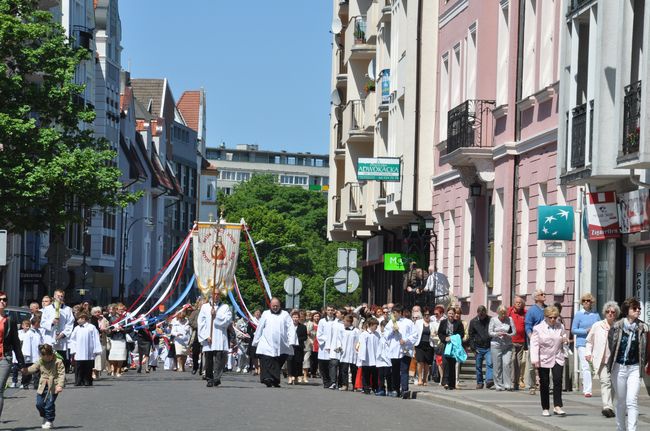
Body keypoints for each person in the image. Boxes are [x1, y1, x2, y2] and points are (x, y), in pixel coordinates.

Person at [607, 297, 649, 431]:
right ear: (627, 310)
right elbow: (611, 346)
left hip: (635, 367)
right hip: (618, 367)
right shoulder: (616, 326)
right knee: (621, 401)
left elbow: (646, 348)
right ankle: (621, 428)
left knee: (632, 401)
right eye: (634, 308)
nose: (638, 311)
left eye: (639, 309)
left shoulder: (643, 327)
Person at [530, 306, 568, 417]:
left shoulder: (560, 326)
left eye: (555, 317)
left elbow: (563, 336)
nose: (553, 319)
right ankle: (545, 407)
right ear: (545, 317)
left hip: (557, 356)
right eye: (550, 317)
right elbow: (534, 344)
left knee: (557, 380)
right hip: (544, 358)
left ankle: (557, 406)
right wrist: (535, 360)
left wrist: (565, 341)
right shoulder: (538, 328)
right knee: (545, 383)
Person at [251, 298, 296, 388]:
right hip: (266, 342)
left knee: (278, 361)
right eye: (273, 306)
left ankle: (275, 380)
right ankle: (267, 378)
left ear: (280, 306)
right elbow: (260, 327)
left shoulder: (285, 314)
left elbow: (291, 327)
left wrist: (292, 340)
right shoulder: (265, 313)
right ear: (270, 306)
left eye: (277, 306)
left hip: (281, 343)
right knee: (266, 360)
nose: (275, 307)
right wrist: (256, 341)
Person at [585, 300, 619, 418]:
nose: (610, 314)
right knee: (605, 382)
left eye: (613, 312)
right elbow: (589, 341)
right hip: (601, 360)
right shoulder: (597, 325)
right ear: (604, 313)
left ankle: (609, 405)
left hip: (614, 360)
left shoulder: (618, 327)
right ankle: (607, 407)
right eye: (608, 311)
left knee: (613, 384)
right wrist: (588, 353)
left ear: (616, 314)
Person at [22, 344, 64, 430]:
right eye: (44, 357)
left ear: (52, 354)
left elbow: (61, 374)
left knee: (49, 404)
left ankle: (49, 420)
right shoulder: (40, 361)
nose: (47, 359)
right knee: (39, 404)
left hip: (53, 386)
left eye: (49, 356)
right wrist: (26, 370)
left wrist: (59, 385)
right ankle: (45, 416)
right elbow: (34, 367)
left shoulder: (58, 361)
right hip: (42, 385)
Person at [0, 290, 26, 420]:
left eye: (4, 299)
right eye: (0, 299)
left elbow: (16, 343)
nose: (2, 302)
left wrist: (22, 364)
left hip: (5, 357)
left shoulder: (10, 320)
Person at [198, 294, 232, 388]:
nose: (216, 296)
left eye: (218, 294)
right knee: (208, 360)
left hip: (220, 337)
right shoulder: (205, 307)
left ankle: (217, 377)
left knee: (219, 359)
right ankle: (209, 378)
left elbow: (228, 320)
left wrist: (216, 316)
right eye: (214, 294)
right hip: (209, 337)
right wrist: (205, 336)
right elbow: (201, 323)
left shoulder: (225, 307)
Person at [385, 304, 417, 398]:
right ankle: (395, 389)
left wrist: (406, 340)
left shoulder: (408, 322)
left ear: (399, 313)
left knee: (404, 370)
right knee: (395, 370)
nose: (393, 314)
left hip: (405, 349)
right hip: (394, 350)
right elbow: (385, 335)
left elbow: (415, 334)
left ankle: (404, 390)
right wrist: (392, 331)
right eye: (392, 313)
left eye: (394, 312)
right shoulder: (391, 322)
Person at [572, 293, 601, 398]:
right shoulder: (579, 314)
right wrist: (585, 330)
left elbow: (600, 327)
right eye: (584, 301)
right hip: (582, 343)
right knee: (585, 366)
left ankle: (586, 382)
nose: (586, 302)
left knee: (593, 366)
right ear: (582, 303)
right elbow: (573, 329)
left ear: (591, 302)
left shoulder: (596, 315)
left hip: (593, 344)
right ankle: (587, 391)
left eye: (588, 301)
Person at [40, 290, 74, 374]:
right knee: (48, 359)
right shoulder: (47, 309)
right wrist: (51, 323)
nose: (60, 297)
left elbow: (70, 324)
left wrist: (62, 334)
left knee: (60, 361)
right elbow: (43, 323)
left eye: (61, 296)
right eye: (58, 296)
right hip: (49, 337)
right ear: (54, 297)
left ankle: (59, 378)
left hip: (61, 340)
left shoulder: (68, 309)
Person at [69, 312, 101, 386]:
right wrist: (73, 349)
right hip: (79, 350)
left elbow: (96, 338)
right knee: (79, 367)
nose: (77, 321)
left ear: (84, 319)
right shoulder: (76, 328)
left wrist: (96, 349)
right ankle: (78, 381)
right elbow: (72, 339)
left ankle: (87, 381)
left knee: (88, 367)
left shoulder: (91, 327)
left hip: (89, 351)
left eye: (79, 319)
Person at [436, 306, 464, 390]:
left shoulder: (458, 323)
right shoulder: (443, 322)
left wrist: (454, 338)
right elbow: (440, 333)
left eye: (452, 313)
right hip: (446, 344)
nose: (451, 315)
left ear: (454, 314)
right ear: (447, 314)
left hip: (454, 345)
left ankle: (452, 383)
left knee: (452, 363)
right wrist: (445, 338)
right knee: (445, 363)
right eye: (449, 313)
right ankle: (446, 382)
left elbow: (461, 334)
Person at [525, 289, 547, 395]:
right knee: (532, 365)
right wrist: (531, 337)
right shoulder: (532, 311)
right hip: (534, 341)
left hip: (546, 341)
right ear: (536, 298)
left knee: (545, 364)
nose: (544, 295)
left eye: (544, 294)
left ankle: (544, 385)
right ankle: (532, 386)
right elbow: (528, 325)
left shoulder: (547, 309)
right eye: (541, 294)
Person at [489, 305, 516, 391]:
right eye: (501, 314)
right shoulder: (493, 320)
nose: (503, 316)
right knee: (497, 366)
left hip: (507, 345)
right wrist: (497, 334)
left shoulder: (510, 319)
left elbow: (514, 332)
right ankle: (499, 385)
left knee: (507, 363)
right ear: (498, 313)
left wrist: (508, 334)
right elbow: (490, 332)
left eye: (505, 313)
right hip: (496, 344)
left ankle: (507, 384)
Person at [468, 305, 493, 389]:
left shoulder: (490, 320)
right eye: (480, 315)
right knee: (478, 366)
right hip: (478, 347)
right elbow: (470, 336)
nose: (482, 317)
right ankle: (479, 382)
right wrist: (473, 348)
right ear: (478, 313)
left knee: (490, 363)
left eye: (484, 315)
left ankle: (489, 380)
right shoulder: (473, 322)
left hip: (488, 346)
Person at [508, 295, 527, 390]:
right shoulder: (510, 312)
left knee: (519, 363)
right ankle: (511, 382)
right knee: (512, 361)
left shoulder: (525, 313)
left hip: (521, 342)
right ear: (514, 304)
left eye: (520, 302)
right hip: (511, 341)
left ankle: (516, 382)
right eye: (517, 302)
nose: (519, 304)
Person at [357, 317, 380, 394]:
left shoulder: (377, 335)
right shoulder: (364, 334)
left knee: (375, 375)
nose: (376, 327)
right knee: (366, 374)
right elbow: (362, 347)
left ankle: (375, 388)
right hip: (366, 358)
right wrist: (362, 358)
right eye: (375, 325)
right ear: (370, 325)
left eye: (377, 326)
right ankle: (366, 388)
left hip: (375, 359)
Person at [21, 314, 44, 389]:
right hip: (30, 355)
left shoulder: (38, 332)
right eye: (39, 323)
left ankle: (36, 385)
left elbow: (41, 341)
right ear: (36, 324)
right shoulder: (29, 333)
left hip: (37, 355)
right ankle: (25, 383)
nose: (40, 325)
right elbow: (26, 345)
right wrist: (27, 355)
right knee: (28, 371)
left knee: (37, 371)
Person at [338, 314, 359, 391]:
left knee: (354, 370)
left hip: (353, 353)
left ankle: (355, 386)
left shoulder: (356, 331)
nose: (343, 323)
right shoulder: (342, 330)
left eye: (344, 321)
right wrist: (339, 350)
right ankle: (345, 385)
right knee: (344, 370)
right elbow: (339, 341)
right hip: (344, 353)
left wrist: (357, 351)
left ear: (349, 322)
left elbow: (359, 342)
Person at [414, 308, 434, 386]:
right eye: (425, 314)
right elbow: (415, 334)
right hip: (419, 345)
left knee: (426, 363)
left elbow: (435, 333)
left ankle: (425, 379)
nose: (426, 316)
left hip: (429, 345)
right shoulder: (418, 322)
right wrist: (413, 346)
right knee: (420, 362)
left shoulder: (433, 323)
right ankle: (419, 378)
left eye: (428, 315)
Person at [316, 305, 335, 388]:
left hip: (334, 347)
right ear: (326, 311)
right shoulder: (322, 321)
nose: (330, 311)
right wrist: (327, 340)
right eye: (328, 310)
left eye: (331, 310)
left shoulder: (337, 321)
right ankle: (326, 381)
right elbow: (319, 334)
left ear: (334, 311)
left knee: (332, 365)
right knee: (323, 365)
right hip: (324, 347)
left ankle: (332, 381)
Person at [287, 310, 307, 385]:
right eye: (294, 317)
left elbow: (305, 337)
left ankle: (296, 376)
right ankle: (290, 376)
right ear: (291, 318)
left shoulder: (303, 327)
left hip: (299, 347)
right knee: (290, 361)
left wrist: (296, 340)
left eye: (296, 317)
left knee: (298, 362)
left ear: (299, 318)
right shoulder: (288, 326)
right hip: (290, 347)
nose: (295, 319)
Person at [90, 306, 108, 379]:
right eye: (95, 312)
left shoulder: (104, 320)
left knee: (101, 357)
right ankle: (93, 372)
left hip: (102, 340)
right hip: (93, 341)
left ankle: (97, 372)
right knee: (95, 357)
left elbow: (108, 330)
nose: (97, 313)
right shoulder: (91, 320)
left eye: (98, 312)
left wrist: (105, 330)